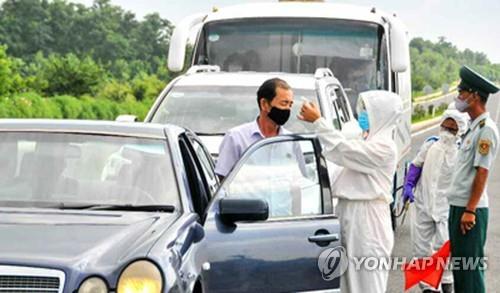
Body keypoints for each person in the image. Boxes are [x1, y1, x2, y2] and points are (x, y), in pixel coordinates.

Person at [299, 90, 402, 293]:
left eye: (367, 111)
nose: (362, 116)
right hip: (346, 212)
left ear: (381, 114)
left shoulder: (385, 147)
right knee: (344, 281)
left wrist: (319, 122)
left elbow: (343, 150)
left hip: (368, 218)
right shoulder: (364, 141)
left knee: (366, 283)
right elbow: (336, 156)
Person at [402, 108, 469, 293]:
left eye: (451, 129)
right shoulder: (430, 145)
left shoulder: (462, 153)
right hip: (424, 205)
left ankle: (446, 284)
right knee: (421, 250)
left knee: (445, 250)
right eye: (444, 126)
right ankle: (428, 288)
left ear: (460, 130)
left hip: (446, 209)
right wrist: (408, 185)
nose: (446, 131)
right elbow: (416, 165)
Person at [446, 65, 499, 293]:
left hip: (470, 210)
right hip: (459, 206)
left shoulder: (486, 130)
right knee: (461, 269)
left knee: (470, 269)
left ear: (475, 95)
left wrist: (470, 209)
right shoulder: (472, 128)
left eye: (462, 92)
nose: (459, 97)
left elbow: (482, 172)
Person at [215, 78, 294, 180]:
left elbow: (298, 182)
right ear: (264, 104)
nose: (287, 109)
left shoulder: (292, 141)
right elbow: (224, 179)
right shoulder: (236, 138)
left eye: (290, 104)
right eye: (284, 103)